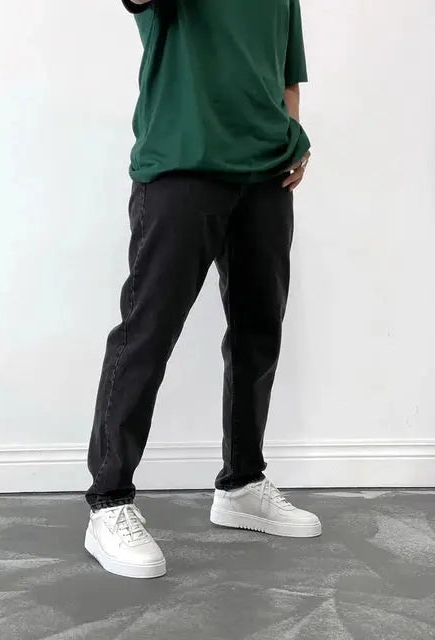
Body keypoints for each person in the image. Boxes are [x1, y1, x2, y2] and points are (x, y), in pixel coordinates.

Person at [84, 0, 321, 579]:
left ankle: (242, 485)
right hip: (182, 167)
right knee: (148, 332)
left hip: (266, 176)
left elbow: (285, 72)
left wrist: (292, 134)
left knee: (258, 334)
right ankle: (109, 501)